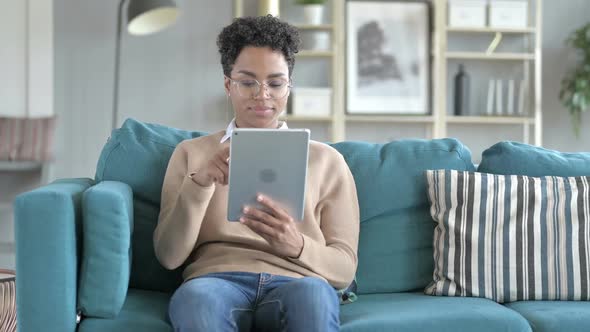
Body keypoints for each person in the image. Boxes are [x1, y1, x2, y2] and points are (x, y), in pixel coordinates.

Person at [154, 15, 359, 332]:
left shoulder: (328, 161)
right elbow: (169, 257)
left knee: (314, 297)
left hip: (299, 281)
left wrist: (297, 245)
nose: (262, 94)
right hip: (214, 282)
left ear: (289, 86)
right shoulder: (191, 154)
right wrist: (200, 184)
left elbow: (344, 270)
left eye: (275, 83)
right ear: (228, 85)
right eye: (248, 82)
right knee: (196, 300)